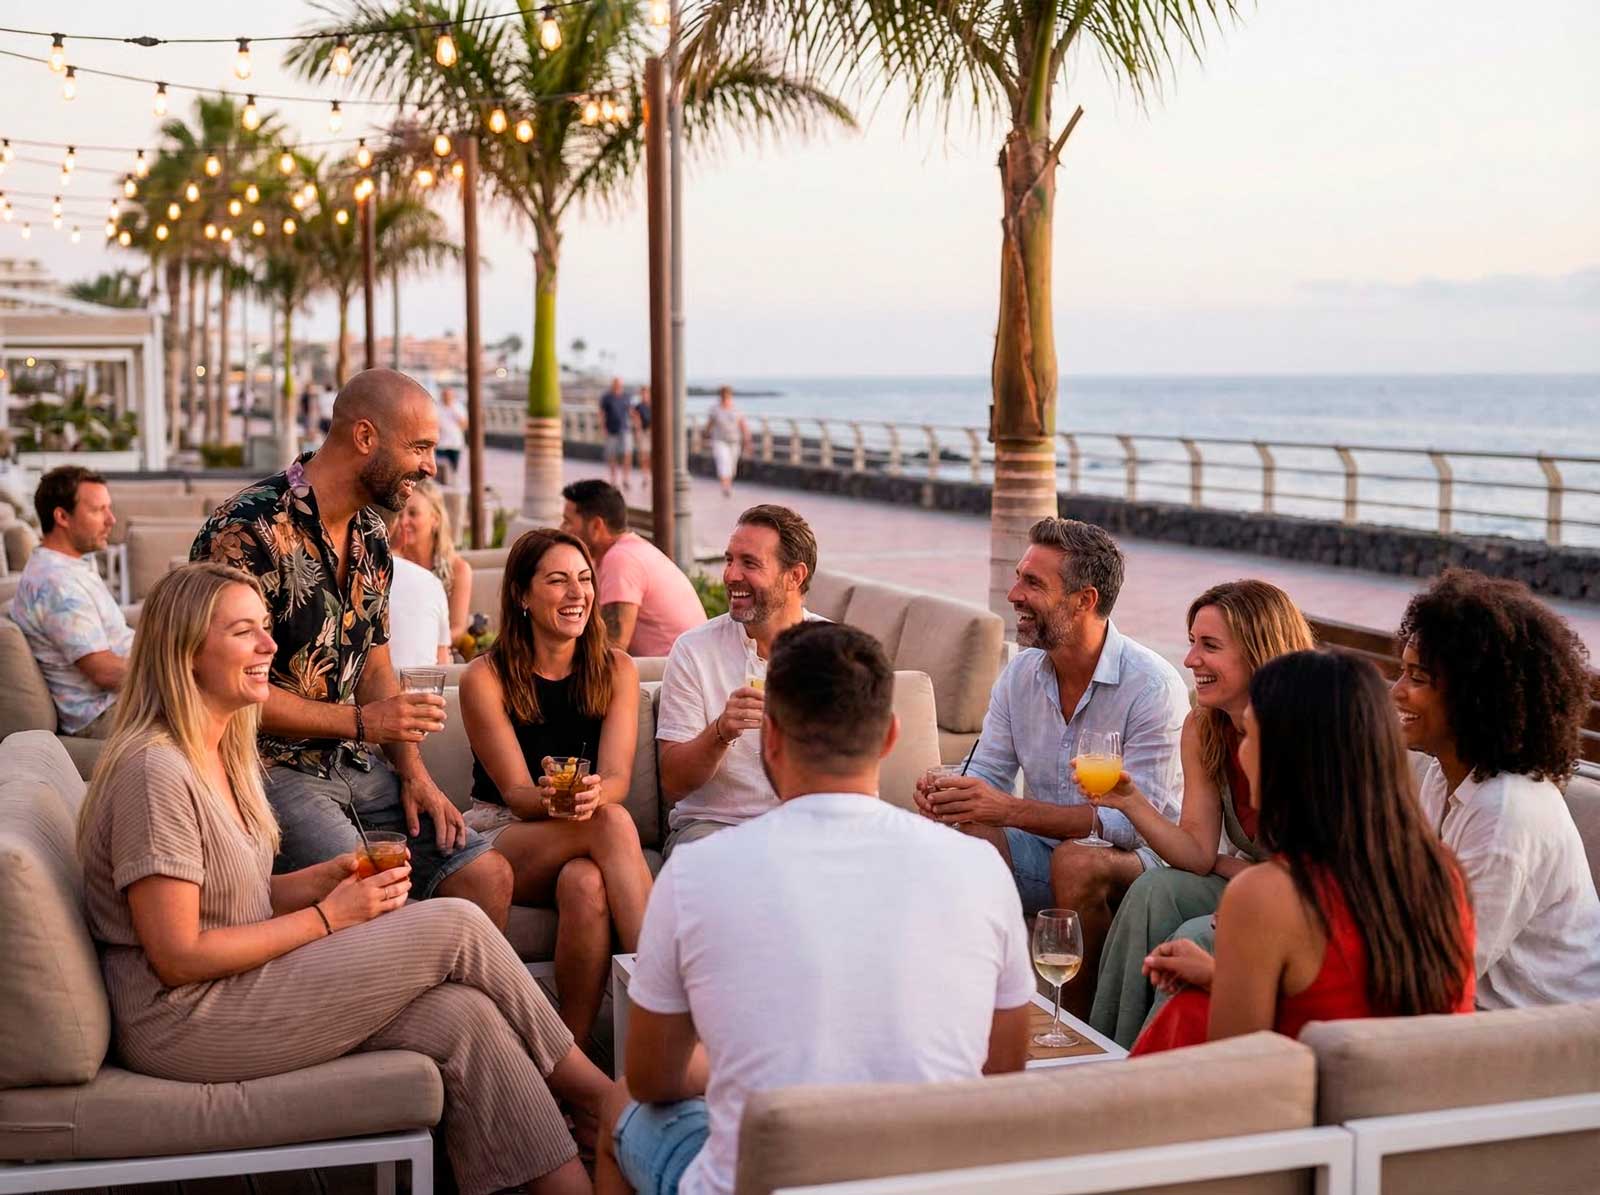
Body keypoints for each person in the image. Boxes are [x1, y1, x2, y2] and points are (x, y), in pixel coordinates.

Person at [76, 563, 609, 1195]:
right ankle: (603, 1099)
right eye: (245, 633)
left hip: (235, 987)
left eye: (266, 628)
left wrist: (318, 881)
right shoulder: (154, 772)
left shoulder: (222, 753)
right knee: (457, 925)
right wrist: (331, 917)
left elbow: (227, 896)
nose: (270, 648)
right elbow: (178, 952)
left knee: (465, 1017)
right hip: (186, 1021)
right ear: (187, 654)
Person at [594, 622, 1033, 1195]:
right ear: (890, 736)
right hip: (923, 1177)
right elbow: (1003, 1071)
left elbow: (653, 1078)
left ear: (769, 738)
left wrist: (731, 1060)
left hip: (763, 1177)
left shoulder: (697, 872)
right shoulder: (980, 868)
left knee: (619, 1103)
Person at [192, 368, 513, 926]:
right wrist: (365, 723)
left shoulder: (371, 535)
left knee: (489, 875)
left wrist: (415, 772)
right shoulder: (242, 532)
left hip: (357, 768)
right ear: (365, 438)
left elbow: (375, 665)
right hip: (268, 773)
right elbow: (225, 692)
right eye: (419, 447)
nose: (431, 466)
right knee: (381, 900)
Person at [1132, 650, 1477, 1053]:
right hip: (1410, 1106)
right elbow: (1360, 1011)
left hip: (1319, 1107)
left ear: (1288, 757)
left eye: (1250, 735)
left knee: (1187, 1015)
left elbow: (1232, 1078)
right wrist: (1220, 976)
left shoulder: (1270, 895)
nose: (1241, 755)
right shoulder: (1441, 872)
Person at [914, 517, 1187, 1018]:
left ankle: (1081, 1028)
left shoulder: (1152, 687)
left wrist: (1011, 809)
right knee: (959, 826)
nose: (1014, 593)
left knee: (1077, 859)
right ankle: (978, 1006)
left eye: (1032, 583)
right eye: (1019, 577)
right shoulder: (1021, 672)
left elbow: (1133, 827)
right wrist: (949, 791)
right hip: (1045, 852)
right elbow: (989, 775)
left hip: (1142, 863)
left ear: (1084, 600)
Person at [1090, 580, 1316, 1047]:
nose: (1191, 660)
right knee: (1152, 890)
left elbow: (1315, 877)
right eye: (1192, 642)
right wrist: (1130, 800)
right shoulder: (1205, 727)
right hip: (1255, 883)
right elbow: (1195, 853)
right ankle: (1104, 1051)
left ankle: (1157, 1069)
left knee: (1199, 932)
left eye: (1209, 646)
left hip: (1307, 903)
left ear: (1259, 653)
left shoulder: (1310, 733)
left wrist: (1234, 872)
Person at [461, 528, 653, 1040]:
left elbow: (616, 779)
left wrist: (592, 795)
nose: (578, 594)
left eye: (585, 579)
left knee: (586, 884)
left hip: (584, 824)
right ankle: (668, 998)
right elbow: (520, 797)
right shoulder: (485, 676)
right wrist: (565, 798)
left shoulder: (618, 669)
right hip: (503, 830)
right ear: (522, 594)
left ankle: (571, 1057)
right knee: (612, 823)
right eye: (558, 581)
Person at [1393, 569, 1600, 1008]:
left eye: (1417, 678)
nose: (1396, 691)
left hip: (1539, 1038)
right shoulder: (1444, 776)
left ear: (1474, 696)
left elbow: (1441, 976)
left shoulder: (1505, 812)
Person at [655, 505, 822, 857]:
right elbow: (673, 782)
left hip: (803, 828)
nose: (730, 575)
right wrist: (720, 732)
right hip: (714, 828)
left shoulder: (835, 652)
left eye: (749, 563)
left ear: (794, 576)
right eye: (729, 560)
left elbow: (858, 774)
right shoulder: (694, 650)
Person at [9, 465, 132, 738]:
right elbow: (104, 672)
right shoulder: (57, 584)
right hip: (105, 712)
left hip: (123, 697)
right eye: (98, 510)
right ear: (62, 516)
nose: (111, 520)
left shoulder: (72, 564)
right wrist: (178, 673)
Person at [560, 478, 707, 657]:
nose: (562, 529)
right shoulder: (624, 551)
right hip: (675, 666)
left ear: (596, 526)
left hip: (670, 673)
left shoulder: (620, 560)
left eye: (567, 522)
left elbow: (613, 646)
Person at [395, 478, 473, 641]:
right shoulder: (391, 561)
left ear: (435, 519)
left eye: (413, 514)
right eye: (400, 514)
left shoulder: (458, 570)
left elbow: (458, 629)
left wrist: (427, 644)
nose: (403, 522)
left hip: (438, 654)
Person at [705, 387, 749, 499]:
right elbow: (709, 424)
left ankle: (728, 483)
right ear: (720, 396)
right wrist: (705, 436)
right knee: (723, 461)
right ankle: (726, 487)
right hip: (719, 440)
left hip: (734, 441)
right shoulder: (715, 409)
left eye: (727, 395)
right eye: (723, 395)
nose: (725, 398)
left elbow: (743, 425)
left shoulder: (736, 409)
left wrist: (747, 440)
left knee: (732, 465)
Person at [600, 378, 633, 490]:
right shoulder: (606, 397)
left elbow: (630, 411)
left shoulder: (626, 397)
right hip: (611, 430)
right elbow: (602, 413)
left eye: (620, 384)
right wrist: (603, 428)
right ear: (613, 384)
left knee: (627, 454)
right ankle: (614, 480)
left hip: (625, 429)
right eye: (616, 383)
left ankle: (626, 479)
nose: (618, 385)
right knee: (612, 455)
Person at [435, 386, 468, 481]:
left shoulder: (458, 407)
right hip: (440, 442)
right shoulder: (437, 406)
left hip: (455, 442)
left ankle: (453, 479)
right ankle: (441, 480)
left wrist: (455, 413)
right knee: (439, 464)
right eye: (445, 395)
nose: (447, 397)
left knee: (454, 465)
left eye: (449, 395)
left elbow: (464, 425)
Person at [632, 386, 652, 479]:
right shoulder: (638, 406)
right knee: (644, 454)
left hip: (651, 432)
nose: (644, 395)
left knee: (650, 455)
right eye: (643, 393)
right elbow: (636, 420)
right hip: (643, 432)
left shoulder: (652, 405)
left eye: (646, 393)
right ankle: (645, 475)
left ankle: (649, 472)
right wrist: (637, 432)